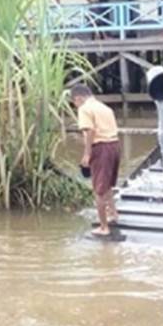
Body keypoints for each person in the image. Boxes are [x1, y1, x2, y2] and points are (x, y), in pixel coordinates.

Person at [71, 84, 120, 236]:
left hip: (101, 147)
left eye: (74, 102)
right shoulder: (105, 108)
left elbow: (90, 131)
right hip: (115, 145)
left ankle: (104, 227)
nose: (75, 106)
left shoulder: (84, 109)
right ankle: (113, 214)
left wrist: (87, 154)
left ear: (78, 98)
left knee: (98, 189)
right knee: (107, 185)